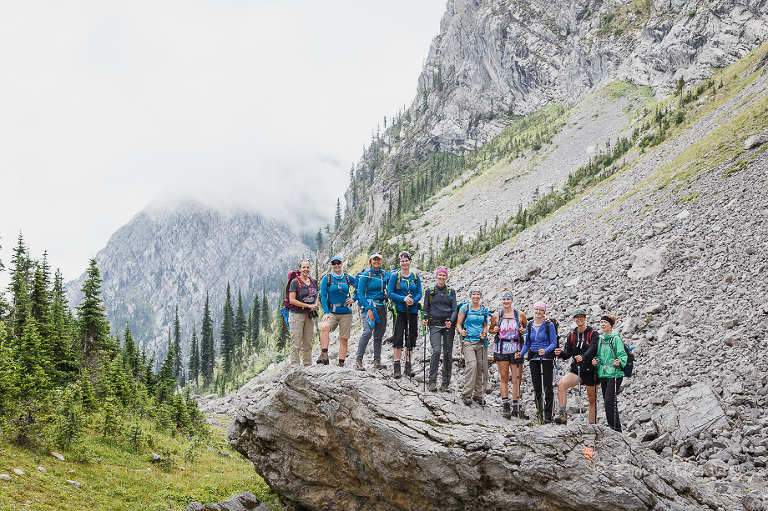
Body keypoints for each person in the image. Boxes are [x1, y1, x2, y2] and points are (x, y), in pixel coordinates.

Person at [553, 309, 599, 424]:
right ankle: (563, 414)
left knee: (592, 400)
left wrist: (583, 357)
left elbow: (593, 348)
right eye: (577, 317)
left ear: (585, 318)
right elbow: (568, 353)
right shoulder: (572, 335)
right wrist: (560, 353)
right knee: (561, 385)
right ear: (574, 319)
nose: (579, 319)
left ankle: (591, 424)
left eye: (581, 317)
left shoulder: (593, 334)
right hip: (576, 369)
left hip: (591, 370)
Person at [488, 289, 527, 418]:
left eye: (508, 299)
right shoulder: (496, 315)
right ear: (501, 300)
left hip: (516, 348)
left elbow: (526, 328)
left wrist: (522, 330)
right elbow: (490, 330)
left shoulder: (519, 314)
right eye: (504, 299)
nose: (506, 301)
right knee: (504, 377)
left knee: (517, 378)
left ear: (511, 300)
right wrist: (495, 330)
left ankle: (516, 405)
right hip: (501, 348)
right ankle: (505, 405)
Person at [387, 251, 422, 379]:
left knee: (411, 337)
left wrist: (414, 300)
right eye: (402, 261)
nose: (404, 263)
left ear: (410, 261)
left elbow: (419, 293)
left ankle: (408, 365)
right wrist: (403, 299)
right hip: (399, 310)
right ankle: (396, 366)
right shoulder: (394, 276)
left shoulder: (415, 277)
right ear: (399, 262)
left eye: (406, 260)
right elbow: (390, 293)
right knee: (398, 336)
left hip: (412, 310)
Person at [521, 301, 558, 423]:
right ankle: (540, 413)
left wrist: (546, 350)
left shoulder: (549, 325)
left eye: (540, 310)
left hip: (546, 358)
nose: (538, 312)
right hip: (533, 359)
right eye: (536, 309)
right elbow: (527, 343)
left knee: (547, 387)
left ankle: (548, 415)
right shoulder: (530, 324)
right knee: (537, 388)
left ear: (544, 312)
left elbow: (554, 343)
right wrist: (520, 354)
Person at [422, 267, 457, 391]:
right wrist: (425, 317)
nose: (442, 277)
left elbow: (454, 309)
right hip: (435, 325)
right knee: (436, 351)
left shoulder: (451, 291)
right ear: (436, 276)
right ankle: (432, 381)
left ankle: (445, 382)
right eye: (440, 275)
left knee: (447, 352)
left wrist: (451, 320)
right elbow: (425, 308)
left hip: (448, 325)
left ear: (446, 277)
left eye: (444, 275)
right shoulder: (429, 291)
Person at [592, 313, 627, 432]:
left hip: (615, 374)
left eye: (605, 322)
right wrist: (596, 361)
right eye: (601, 322)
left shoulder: (616, 338)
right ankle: (614, 428)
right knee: (609, 402)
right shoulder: (601, 340)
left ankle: (616, 429)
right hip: (604, 374)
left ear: (610, 325)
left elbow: (622, 354)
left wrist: (620, 362)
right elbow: (599, 355)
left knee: (609, 402)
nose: (602, 324)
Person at [318, 255, 356, 366]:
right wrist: (325, 312)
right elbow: (323, 296)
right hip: (331, 311)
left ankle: (341, 364)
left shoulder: (348, 277)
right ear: (331, 265)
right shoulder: (327, 278)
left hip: (346, 312)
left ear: (342, 264)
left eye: (338, 263)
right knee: (325, 327)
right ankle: (324, 354)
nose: (336, 265)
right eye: (334, 263)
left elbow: (360, 287)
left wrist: (354, 299)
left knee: (343, 339)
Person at [354, 252, 389, 371]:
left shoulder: (384, 274)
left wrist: (386, 295)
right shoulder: (365, 275)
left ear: (381, 261)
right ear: (371, 261)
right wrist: (368, 309)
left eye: (378, 260)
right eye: (374, 260)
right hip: (369, 306)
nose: (376, 262)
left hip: (381, 306)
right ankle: (358, 360)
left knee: (379, 335)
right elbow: (360, 293)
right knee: (367, 332)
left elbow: (386, 289)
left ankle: (377, 361)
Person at [456, 288, 489, 406]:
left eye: (478, 294)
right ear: (471, 296)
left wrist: (484, 333)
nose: (476, 296)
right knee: (472, 365)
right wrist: (461, 332)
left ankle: (478, 394)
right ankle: (466, 394)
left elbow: (485, 325)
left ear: (480, 296)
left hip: (481, 342)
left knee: (482, 367)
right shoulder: (465, 308)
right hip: (468, 341)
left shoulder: (484, 309)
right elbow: (458, 324)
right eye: (474, 294)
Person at [287, 259, 319, 366]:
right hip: (296, 315)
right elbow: (292, 300)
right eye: (304, 267)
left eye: (308, 267)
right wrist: (309, 306)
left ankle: (307, 365)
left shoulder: (313, 281)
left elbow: (316, 295)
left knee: (308, 342)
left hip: (309, 315)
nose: (306, 269)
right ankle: (294, 366)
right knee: (296, 342)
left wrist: (315, 304)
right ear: (299, 269)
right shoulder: (295, 282)